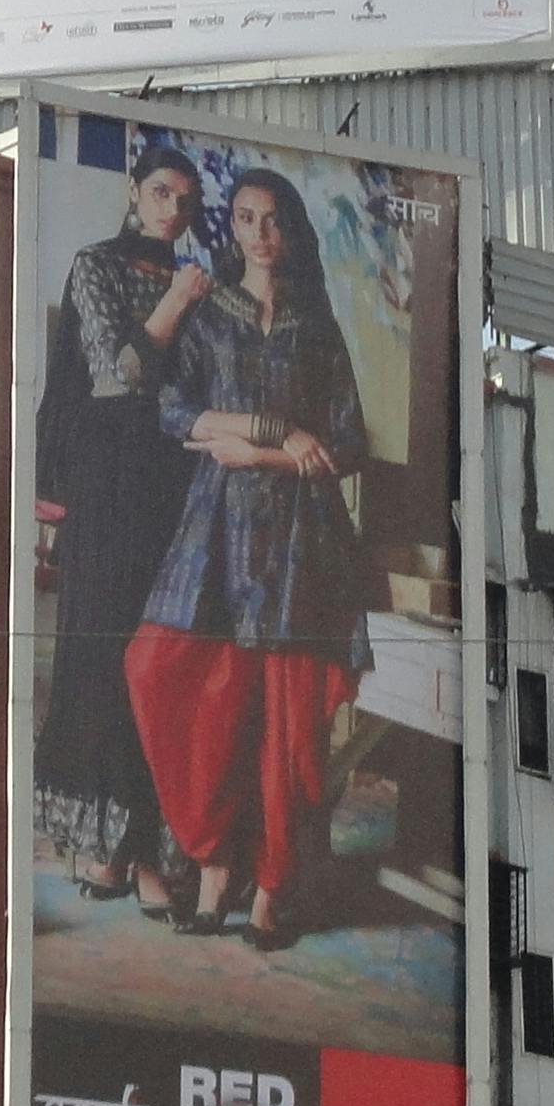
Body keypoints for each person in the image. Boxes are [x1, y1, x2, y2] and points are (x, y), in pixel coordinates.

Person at [124, 165, 375, 951]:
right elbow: (171, 410)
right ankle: (212, 863)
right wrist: (272, 433)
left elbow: (348, 442)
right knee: (166, 677)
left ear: (291, 230)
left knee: (287, 727)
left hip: (303, 542)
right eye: (243, 218)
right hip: (215, 535)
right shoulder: (211, 319)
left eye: (271, 219)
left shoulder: (318, 327)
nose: (259, 234)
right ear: (228, 229)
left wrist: (257, 452)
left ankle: (267, 886)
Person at [32, 145, 211, 914]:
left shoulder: (205, 284)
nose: (173, 208)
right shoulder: (95, 266)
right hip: (107, 490)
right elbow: (120, 371)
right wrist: (176, 301)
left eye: (186, 199)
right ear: (135, 191)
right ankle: (115, 852)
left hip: (177, 489)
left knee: (162, 665)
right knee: (107, 663)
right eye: (162, 192)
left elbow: (207, 383)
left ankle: (143, 854)